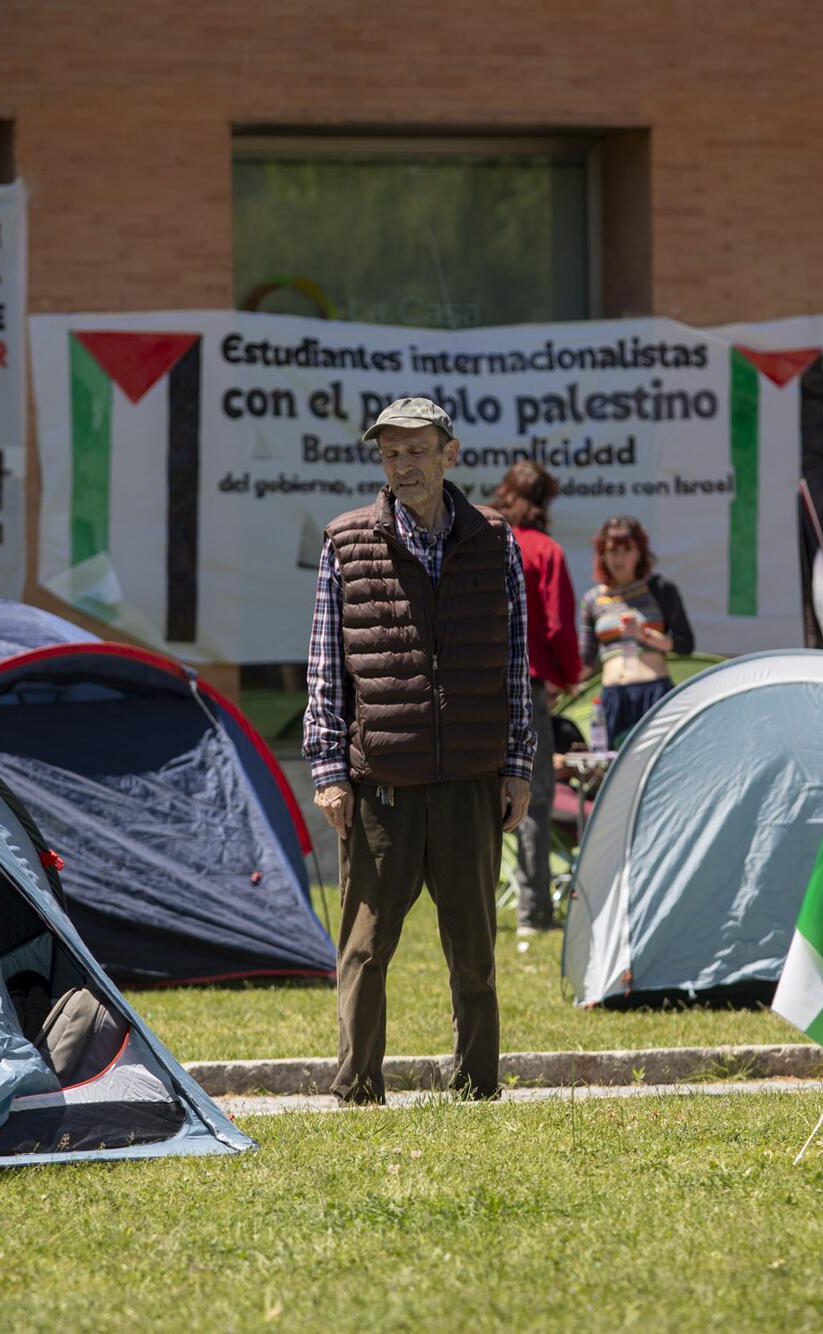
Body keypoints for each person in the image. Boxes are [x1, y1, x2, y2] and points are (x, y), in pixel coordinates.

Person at [304, 396, 534, 1105]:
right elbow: (326, 668)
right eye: (390, 453)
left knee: (475, 951)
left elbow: (515, 663)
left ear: (449, 454)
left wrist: (518, 765)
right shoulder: (346, 541)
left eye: (415, 450)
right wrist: (329, 770)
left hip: (471, 776)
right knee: (365, 949)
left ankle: (477, 1085)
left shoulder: (496, 540)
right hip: (382, 783)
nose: (401, 466)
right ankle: (357, 1088)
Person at [488, 461, 578, 936]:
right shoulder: (545, 550)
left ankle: (474, 908)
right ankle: (534, 913)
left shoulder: (483, 541)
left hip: (475, 683)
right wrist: (570, 676)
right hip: (527, 683)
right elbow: (559, 627)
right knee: (534, 797)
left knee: (475, 795)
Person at [579, 515, 694, 748]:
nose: (619, 558)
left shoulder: (660, 589)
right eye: (613, 550)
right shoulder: (592, 599)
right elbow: (586, 660)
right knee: (613, 764)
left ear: (640, 553)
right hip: (613, 697)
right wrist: (556, 685)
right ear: (602, 553)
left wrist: (645, 635)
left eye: (627, 550)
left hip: (653, 693)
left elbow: (685, 644)